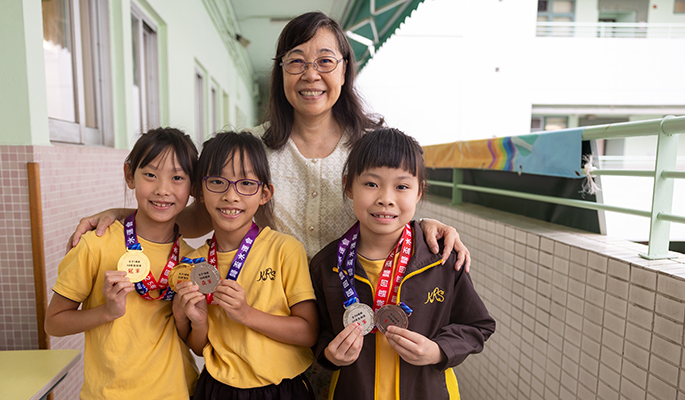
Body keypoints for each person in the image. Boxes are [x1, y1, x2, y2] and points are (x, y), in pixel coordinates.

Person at [66, 12, 471, 273]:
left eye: (325, 61)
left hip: (354, 310)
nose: (311, 74)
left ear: (344, 70)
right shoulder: (251, 148)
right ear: (280, 72)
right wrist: (123, 215)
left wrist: (428, 227)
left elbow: (392, 210)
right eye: (296, 61)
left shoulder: (370, 148)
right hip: (271, 309)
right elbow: (203, 215)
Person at [310, 128, 495, 400]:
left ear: (419, 192)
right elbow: (317, 332)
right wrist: (329, 354)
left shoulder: (442, 258)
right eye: (371, 184)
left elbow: (477, 325)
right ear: (349, 186)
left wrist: (438, 351)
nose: (386, 198)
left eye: (402, 187)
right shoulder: (328, 265)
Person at [44, 128, 200, 400]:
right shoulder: (95, 245)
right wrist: (107, 312)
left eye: (177, 178)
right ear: (129, 175)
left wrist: (185, 316)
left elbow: (195, 340)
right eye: (150, 175)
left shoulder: (191, 260)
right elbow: (53, 323)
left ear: (193, 187)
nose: (163, 190)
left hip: (179, 391)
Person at [173, 131, 317, 399]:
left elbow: (308, 332)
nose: (231, 195)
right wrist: (198, 322)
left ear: (265, 193)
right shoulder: (194, 263)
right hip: (217, 389)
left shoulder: (285, 250)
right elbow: (199, 347)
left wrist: (246, 314)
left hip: (282, 390)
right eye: (217, 181)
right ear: (199, 192)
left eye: (247, 183)